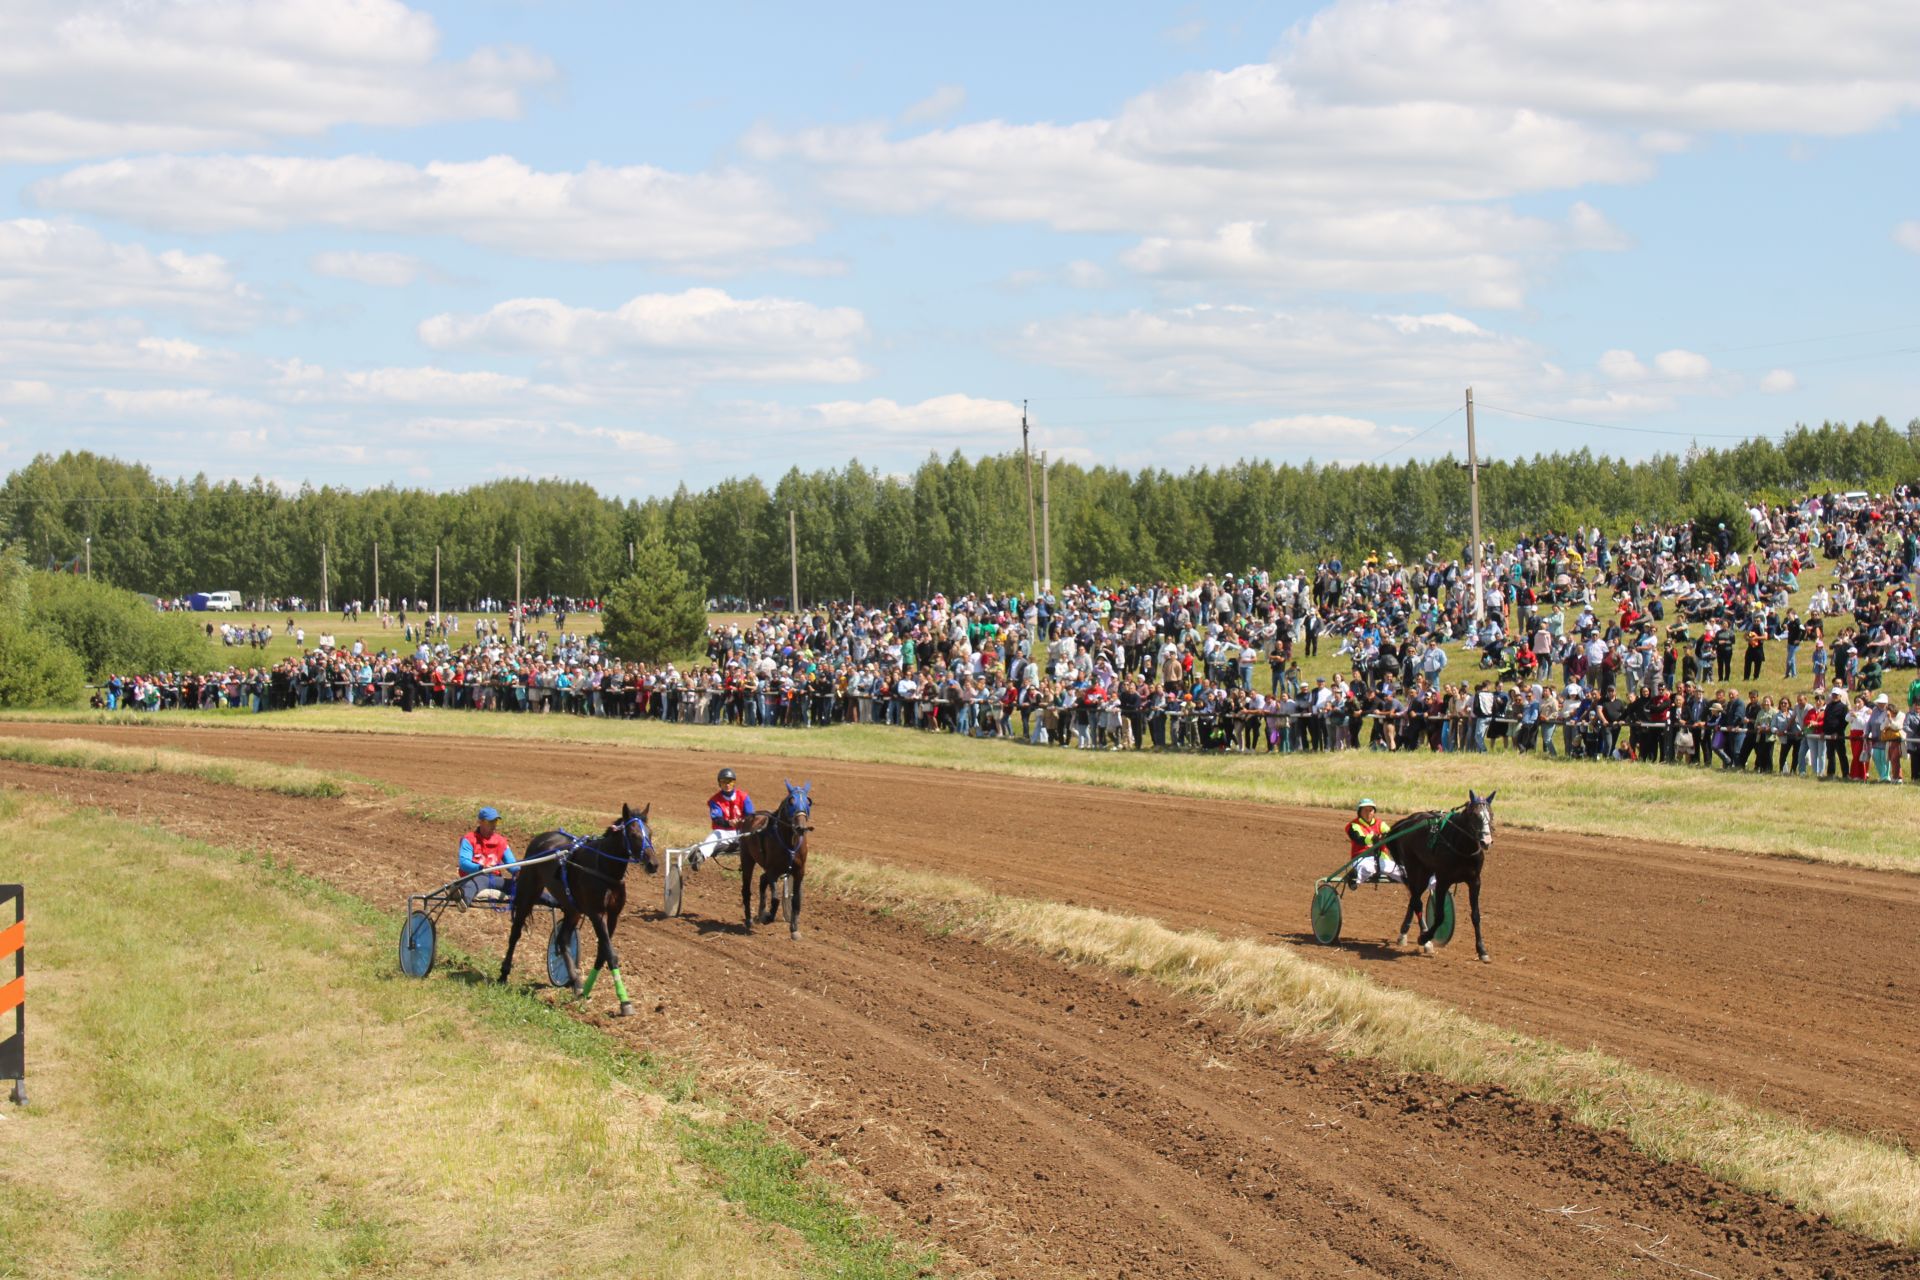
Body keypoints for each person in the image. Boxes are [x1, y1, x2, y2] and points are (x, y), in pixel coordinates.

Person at [692, 767, 756, 865]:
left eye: (730, 782)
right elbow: (717, 819)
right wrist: (729, 823)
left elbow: (751, 816)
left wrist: (741, 822)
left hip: (742, 832)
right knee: (714, 836)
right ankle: (699, 855)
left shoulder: (744, 797)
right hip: (723, 833)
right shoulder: (715, 800)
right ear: (719, 784)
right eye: (724, 782)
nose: (727, 785)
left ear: (734, 783)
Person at [459, 805, 517, 903]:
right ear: (480, 822)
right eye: (490, 822)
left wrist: (517, 871)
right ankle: (463, 899)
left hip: (495, 879)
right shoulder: (469, 839)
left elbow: (511, 863)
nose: (494, 825)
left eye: (496, 822)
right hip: (475, 876)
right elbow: (464, 863)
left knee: (523, 886)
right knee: (476, 882)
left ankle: (551, 900)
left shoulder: (501, 841)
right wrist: (482, 868)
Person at [1345, 798, 1399, 886]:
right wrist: (1374, 838)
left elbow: (1390, 833)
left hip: (1381, 859)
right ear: (1359, 812)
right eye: (1365, 810)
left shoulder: (1380, 824)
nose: (1368, 813)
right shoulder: (1353, 826)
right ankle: (1355, 875)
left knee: (1404, 872)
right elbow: (1360, 839)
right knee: (1368, 869)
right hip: (1361, 858)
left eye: (1370, 810)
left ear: (1374, 812)